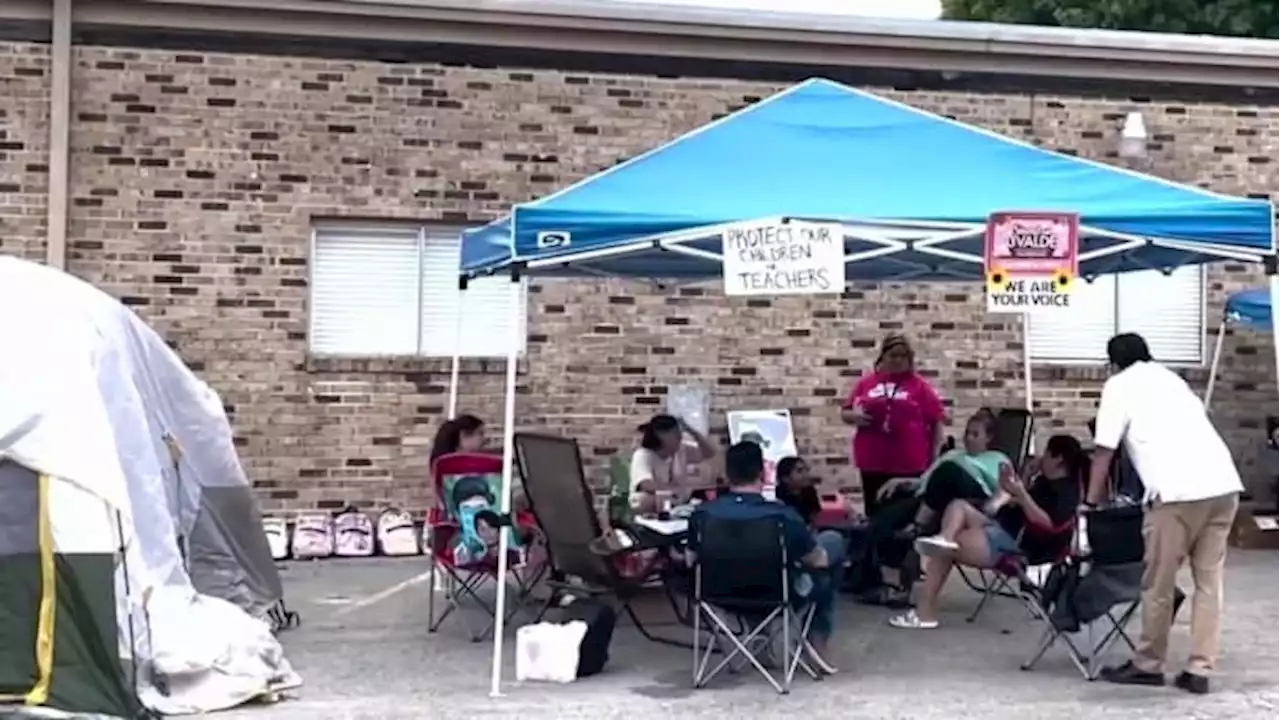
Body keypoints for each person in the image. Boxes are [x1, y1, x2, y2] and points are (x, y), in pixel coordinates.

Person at [1088, 333, 1243, 695]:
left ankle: (1148, 663)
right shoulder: (1172, 379)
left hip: (1177, 494)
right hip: (1223, 485)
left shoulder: (1118, 385)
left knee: (1158, 581)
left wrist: (1092, 502)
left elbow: (1103, 450)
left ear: (1113, 362)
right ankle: (1200, 669)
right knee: (1208, 584)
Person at [889, 434, 1085, 629]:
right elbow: (1018, 501)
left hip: (1015, 545)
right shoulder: (1044, 481)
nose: (1041, 458)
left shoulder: (1067, 492)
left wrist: (1022, 495)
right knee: (957, 506)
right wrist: (1021, 479)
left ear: (1058, 459)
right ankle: (945, 537)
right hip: (1002, 526)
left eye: (1046, 454)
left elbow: (1047, 523)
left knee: (945, 550)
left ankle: (925, 614)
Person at [689, 442, 845, 673]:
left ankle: (760, 637)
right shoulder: (781, 514)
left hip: (718, 597)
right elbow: (817, 560)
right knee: (833, 545)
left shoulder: (702, 514)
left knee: (747, 566)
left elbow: (690, 559)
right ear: (762, 472)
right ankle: (816, 637)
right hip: (778, 594)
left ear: (727, 473)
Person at [842, 334, 946, 518]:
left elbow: (936, 419)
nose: (898, 360)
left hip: (909, 464)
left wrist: (934, 457)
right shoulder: (866, 383)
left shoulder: (919, 386)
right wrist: (855, 416)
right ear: (883, 357)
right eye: (893, 355)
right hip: (872, 462)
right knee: (874, 511)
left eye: (903, 356)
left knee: (903, 513)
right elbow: (846, 412)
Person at [876, 408, 1010, 536]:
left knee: (949, 469)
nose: (969, 438)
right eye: (967, 433)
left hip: (973, 494)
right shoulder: (952, 454)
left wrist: (995, 503)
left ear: (988, 438)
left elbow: (1007, 488)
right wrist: (899, 481)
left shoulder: (997, 459)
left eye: (975, 435)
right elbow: (926, 480)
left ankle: (919, 525)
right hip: (932, 496)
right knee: (887, 518)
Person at [629, 413, 715, 515]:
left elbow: (709, 453)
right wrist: (671, 492)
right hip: (659, 503)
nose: (680, 438)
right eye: (676, 435)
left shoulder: (681, 449)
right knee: (642, 499)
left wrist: (692, 431)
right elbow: (645, 484)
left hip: (681, 502)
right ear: (662, 437)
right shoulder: (643, 455)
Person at [774, 456, 821, 526]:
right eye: (800, 471)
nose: (806, 475)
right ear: (785, 478)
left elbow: (814, 519)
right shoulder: (778, 499)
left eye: (807, 470)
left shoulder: (810, 492)